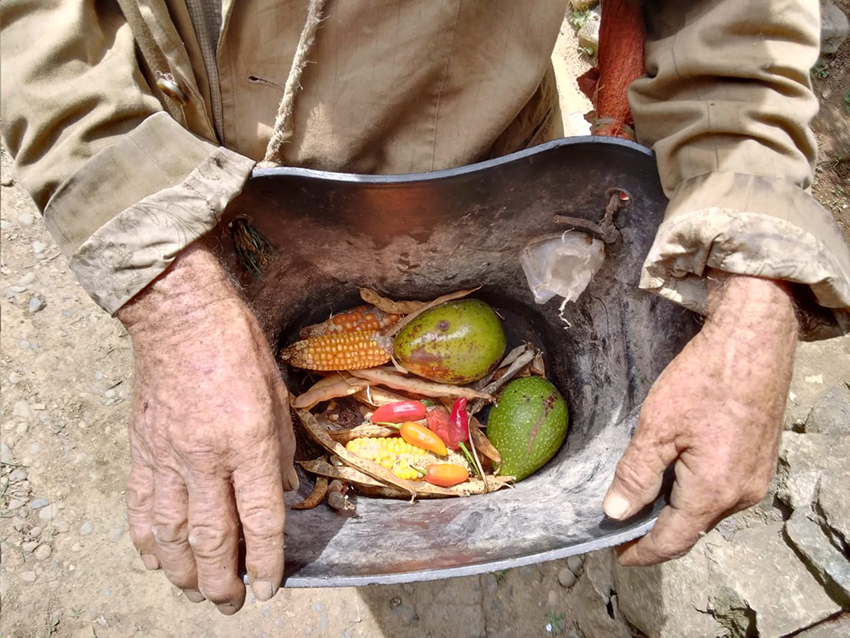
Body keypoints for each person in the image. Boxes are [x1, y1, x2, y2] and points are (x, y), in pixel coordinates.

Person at [2, 0, 849, 617]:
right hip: (187, 161)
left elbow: (732, 18)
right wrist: (173, 301)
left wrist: (756, 297)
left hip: (478, 149)